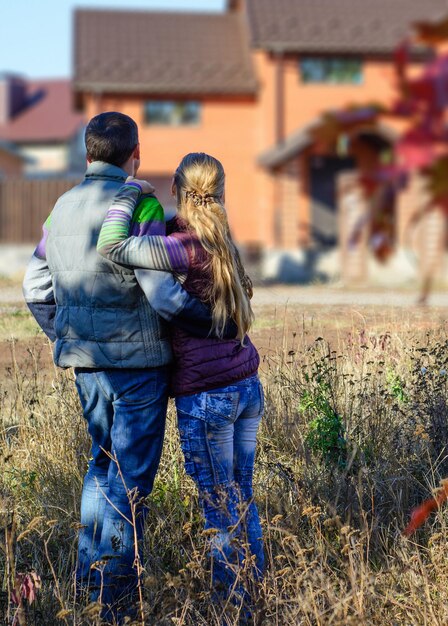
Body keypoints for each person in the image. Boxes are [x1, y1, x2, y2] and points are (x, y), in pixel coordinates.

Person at [22, 114, 236, 621]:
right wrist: (212, 323)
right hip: (138, 368)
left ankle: (86, 583)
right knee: (131, 479)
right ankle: (114, 599)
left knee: (101, 467)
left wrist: (68, 335)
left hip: (87, 368)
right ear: (135, 154)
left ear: (87, 154)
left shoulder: (61, 208)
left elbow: (34, 287)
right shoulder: (140, 202)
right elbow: (161, 294)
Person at [97, 152, 265, 618]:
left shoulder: (180, 249)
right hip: (246, 387)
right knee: (240, 498)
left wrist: (131, 190)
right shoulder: (221, 239)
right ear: (221, 193)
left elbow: (111, 245)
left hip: (208, 398)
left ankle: (234, 609)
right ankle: (257, 594)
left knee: (218, 508)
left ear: (175, 187)